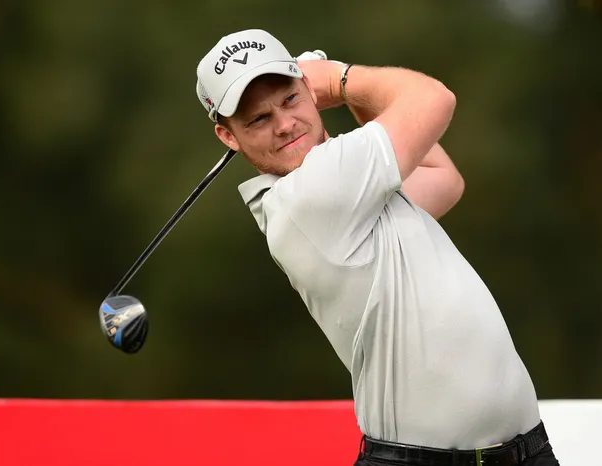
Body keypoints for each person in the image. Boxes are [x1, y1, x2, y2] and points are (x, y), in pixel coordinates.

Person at [195, 29, 560, 466]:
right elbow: (434, 99)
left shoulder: (354, 187)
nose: (285, 124)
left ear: (305, 90)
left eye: (290, 100)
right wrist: (337, 79)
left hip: (526, 453)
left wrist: (344, 93)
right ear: (228, 136)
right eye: (258, 119)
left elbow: (443, 179)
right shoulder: (311, 194)